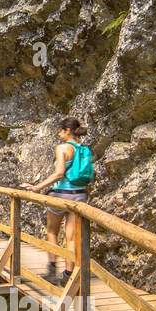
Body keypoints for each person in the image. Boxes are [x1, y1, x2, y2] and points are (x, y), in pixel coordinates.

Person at [23, 118, 93, 283]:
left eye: (60, 130)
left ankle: (52, 270)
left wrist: (37, 187)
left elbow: (59, 173)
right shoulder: (83, 149)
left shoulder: (62, 148)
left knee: (52, 231)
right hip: (80, 195)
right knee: (71, 238)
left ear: (67, 130)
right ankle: (68, 274)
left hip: (61, 195)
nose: (59, 133)